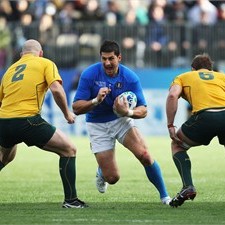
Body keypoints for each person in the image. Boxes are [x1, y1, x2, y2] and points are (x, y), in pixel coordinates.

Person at [72, 40, 171, 205]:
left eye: (111, 58)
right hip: (97, 125)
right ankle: (102, 171)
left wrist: (128, 112)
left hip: (121, 121)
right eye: (104, 59)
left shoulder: (130, 77)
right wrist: (95, 100)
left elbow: (143, 110)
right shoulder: (89, 74)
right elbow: (76, 108)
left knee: (145, 155)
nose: (107, 63)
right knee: (112, 178)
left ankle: (165, 197)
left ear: (119, 57)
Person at [0, 39, 87, 209]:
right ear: (40, 53)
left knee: (6, 156)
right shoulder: (45, 63)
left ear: (21, 55)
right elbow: (56, 89)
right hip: (27, 120)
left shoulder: (9, 71)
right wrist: (67, 113)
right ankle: (71, 201)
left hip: (3, 121)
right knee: (69, 149)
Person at [166, 53, 225, 207]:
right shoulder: (221, 77)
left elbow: (172, 96)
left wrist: (171, 125)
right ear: (211, 69)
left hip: (206, 117)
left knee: (177, 145)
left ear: (193, 69)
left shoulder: (184, 76)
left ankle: (188, 187)